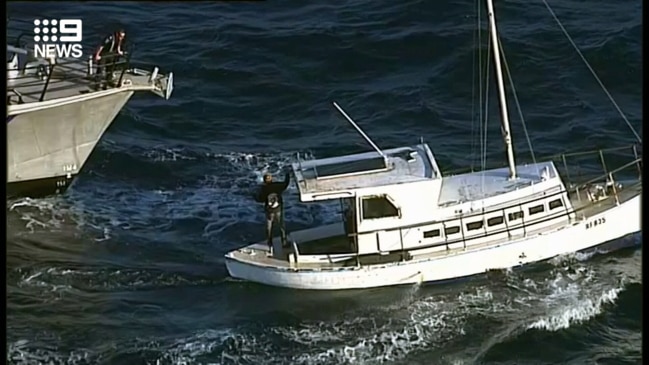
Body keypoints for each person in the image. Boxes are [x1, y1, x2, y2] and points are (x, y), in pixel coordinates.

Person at [253, 170, 291, 255]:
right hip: (278, 209)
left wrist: (254, 195)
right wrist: (288, 174)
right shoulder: (277, 186)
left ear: (264, 180)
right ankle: (284, 243)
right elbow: (286, 184)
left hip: (269, 211)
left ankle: (270, 245)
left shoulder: (264, 189)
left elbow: (260, 199)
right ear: (271, 179)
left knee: (269, 228)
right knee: (281, 226)